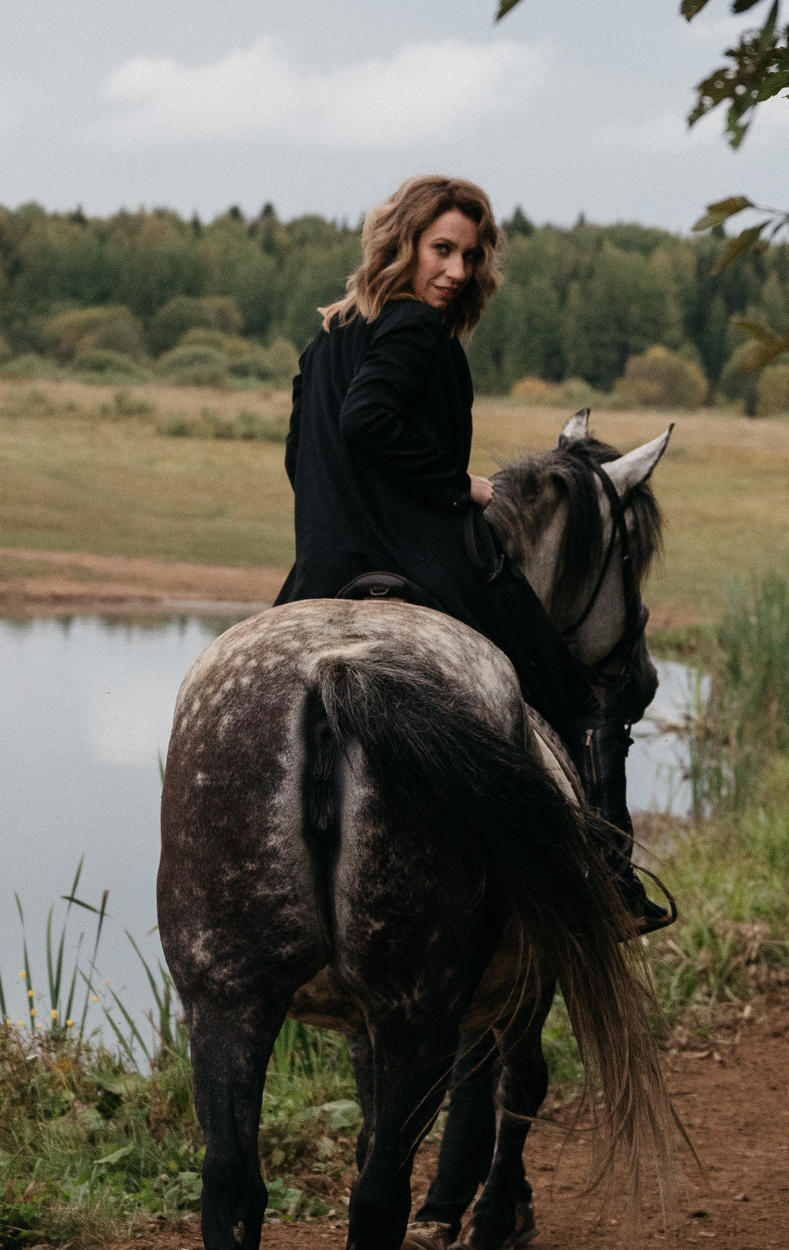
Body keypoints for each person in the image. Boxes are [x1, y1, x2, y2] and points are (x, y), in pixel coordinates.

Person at [277, 173, 666, 929]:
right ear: (402, 244)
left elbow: (303, 459)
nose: (456, 271)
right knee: (579, 701)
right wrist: (459, 487)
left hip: (318, 576)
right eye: (441, 250)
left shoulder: (323, 343)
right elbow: (366, 421)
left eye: (471, 255)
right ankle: (612, 884)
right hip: (426, 565)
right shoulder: (414, 328)